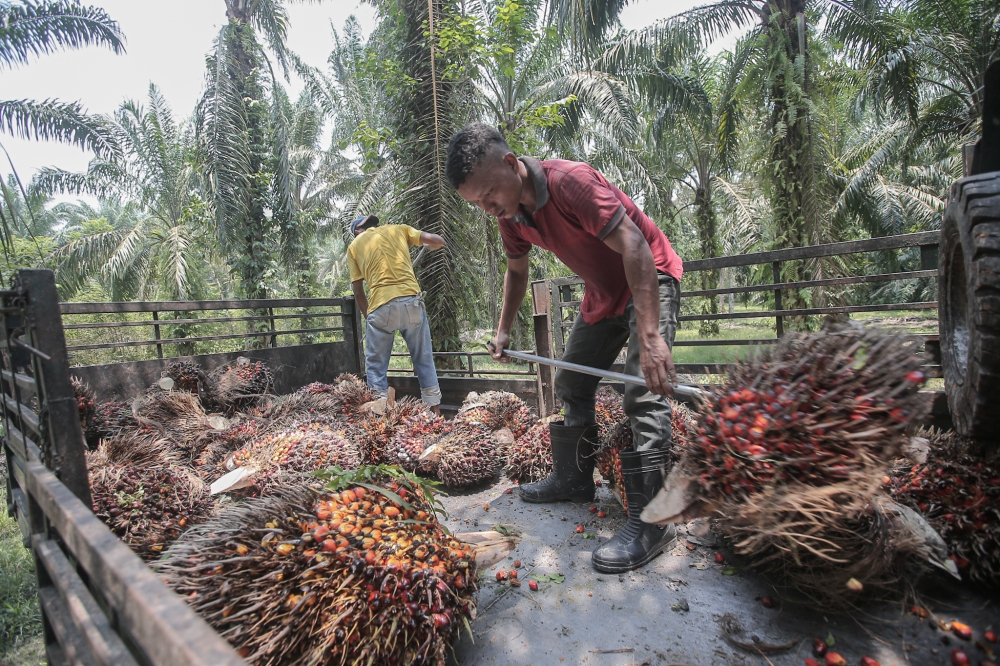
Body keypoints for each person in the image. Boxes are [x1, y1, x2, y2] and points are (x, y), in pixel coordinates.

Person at [445, 124, 684, 573]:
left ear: (511, 164)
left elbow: (634, 244)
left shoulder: (571, 183)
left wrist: (651, 337)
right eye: (477, 202)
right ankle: (574, 481)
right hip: (603, 294)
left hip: (649, 277)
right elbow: (517, 273)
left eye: (489, 193)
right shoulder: (510, 217)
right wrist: (502, 330)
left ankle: (656, 521)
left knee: (643, 391)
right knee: (570, 382)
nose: (487, 208)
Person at [347, 214, 446, 414]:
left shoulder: (354, 246)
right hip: (412, 303)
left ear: (357, 231)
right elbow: (438, 241)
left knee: (376, 366)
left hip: (381, 306)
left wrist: (370, 318)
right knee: (424, 358)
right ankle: (434, 412)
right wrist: (430, 246)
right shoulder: (399, 229)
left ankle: (380, 415)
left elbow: (358, 292)